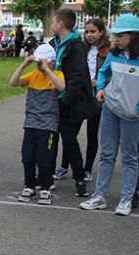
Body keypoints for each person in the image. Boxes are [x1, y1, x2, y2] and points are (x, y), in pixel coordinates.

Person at [80, 14, 139, 216]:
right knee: (106, 154)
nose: (116, 39)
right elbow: (103, 72)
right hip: (110, 109)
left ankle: (126, 199)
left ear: (133, 36)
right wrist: (102, 88)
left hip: (132, 116)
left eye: (121, 35)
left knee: (130, 158)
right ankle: (100, 196)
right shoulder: (114, 54)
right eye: (115, 34)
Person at [51, 8, 99, 198]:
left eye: (54, 21)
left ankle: (79, 178)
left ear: (61, 23)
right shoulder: (56, 43)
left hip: (70, 101)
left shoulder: (75, 46)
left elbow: (78, 76)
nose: (52, 25)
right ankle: (47, 174)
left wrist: (67, 99)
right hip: (54, 98)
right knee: (51, 138)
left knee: (69, 139)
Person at [9, 44, 65, 205]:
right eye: (38, 64)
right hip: (31, 123)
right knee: (27, 157)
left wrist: (48, 70)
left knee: (44, 158)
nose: (39, 67)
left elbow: (62, 87)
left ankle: (46, 187)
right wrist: (24, 65)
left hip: (48, 125)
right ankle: (29, 185)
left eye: (42, 63)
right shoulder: (33, 75)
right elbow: (13, 82)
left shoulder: (57, 75)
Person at [82, 18, 111, 183]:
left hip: (97, 96)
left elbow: (110, 75)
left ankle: (87, 168)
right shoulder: (82, 49)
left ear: (101, 32)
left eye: (93, 31)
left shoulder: (108, 52)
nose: (89, 35)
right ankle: (65, 165)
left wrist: (97, 82)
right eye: (87, 32)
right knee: (69, 132)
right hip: (81, 95)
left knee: (92, 133)